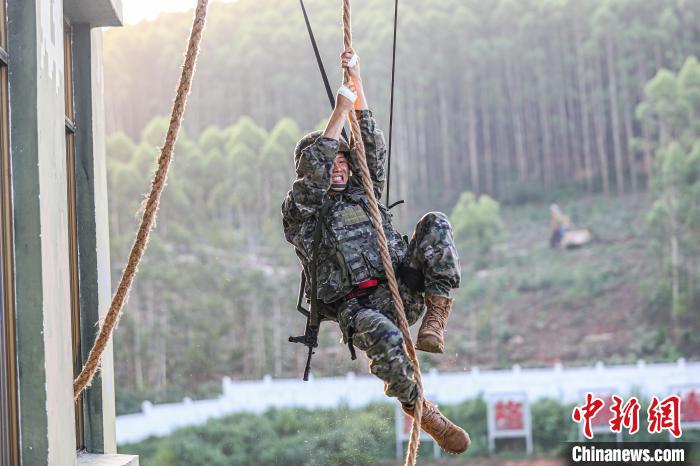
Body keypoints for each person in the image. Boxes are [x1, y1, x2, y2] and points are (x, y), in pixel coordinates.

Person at [281, 48, 470, 454]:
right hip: (361, 308)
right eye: (329, 162)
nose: (337, 167)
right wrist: (337, 114)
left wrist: (357, 82)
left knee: (435, 222)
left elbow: (369, 142)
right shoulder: (303, 214)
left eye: (342, 161)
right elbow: (313, 177)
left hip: (404, 291)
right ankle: (420, 408)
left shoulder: (365, 192)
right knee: (383, 335)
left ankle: (436, 319)